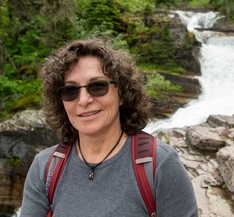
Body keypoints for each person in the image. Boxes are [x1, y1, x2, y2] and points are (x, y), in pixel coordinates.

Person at [20, 37, 198, 217]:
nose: (84, 100)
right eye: (70, 91)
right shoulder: (45, 168)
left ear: (122, 93)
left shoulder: (160, 164)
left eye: (97, 86)